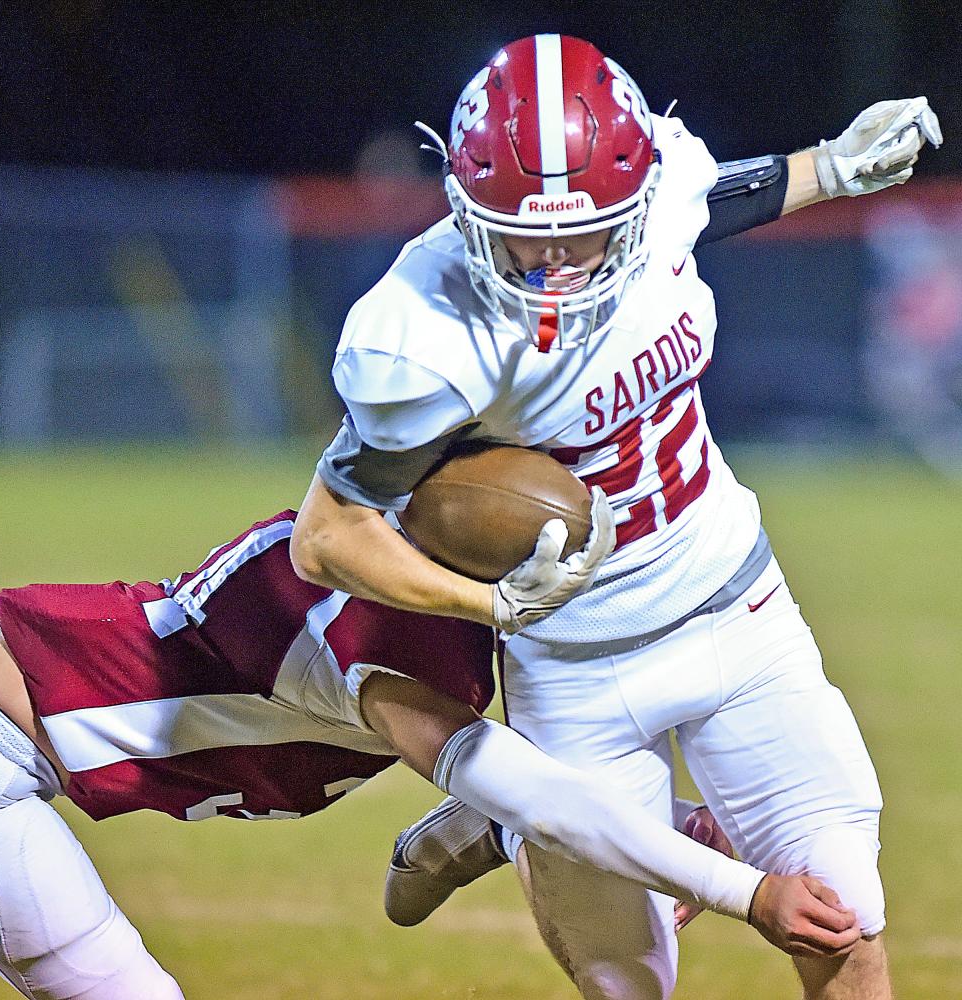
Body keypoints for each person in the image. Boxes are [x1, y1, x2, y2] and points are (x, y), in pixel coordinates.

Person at [289, 33, 942, 1000]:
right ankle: (513, 814)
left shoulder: (662, 189)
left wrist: (831, 168)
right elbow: (328, 536)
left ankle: (498, 818)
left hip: (736, 609)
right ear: (464, 207)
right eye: (526, 231)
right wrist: (492, 608)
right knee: (629, 983)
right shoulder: (422, 333)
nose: (557, 260)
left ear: (634, 200)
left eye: (585, 228)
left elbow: (706, 203)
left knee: (844, 926)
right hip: (573, 670)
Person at [0, 511, 858, 999]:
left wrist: (636, 833)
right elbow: (522, 786)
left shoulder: (418, 601)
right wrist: (743, 887)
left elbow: (425, 869)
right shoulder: (365, 640)